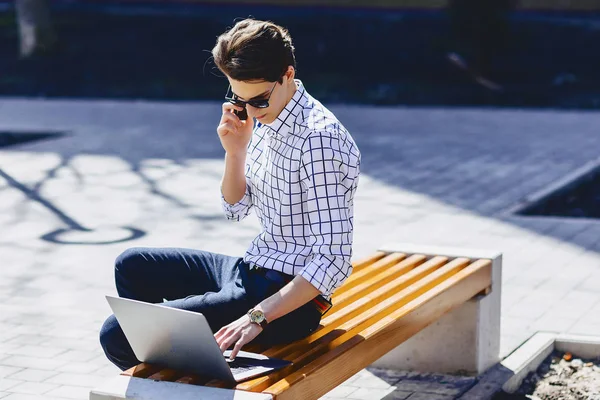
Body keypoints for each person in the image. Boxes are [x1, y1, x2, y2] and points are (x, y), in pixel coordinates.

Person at [99, 18, 361, 369]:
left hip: (286, 301)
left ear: (287, 75)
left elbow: (333, 260)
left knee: (117, 333)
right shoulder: (269, 118)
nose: (249, 111)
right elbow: (235, 209)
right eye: (238, 98)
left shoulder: (319, 141)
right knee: (132, 265)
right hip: (250, 269)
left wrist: (255, 318)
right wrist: (235, 151)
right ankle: (176, 369)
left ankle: (185, 375)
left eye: (258, 101)